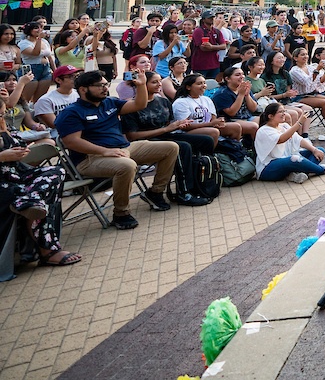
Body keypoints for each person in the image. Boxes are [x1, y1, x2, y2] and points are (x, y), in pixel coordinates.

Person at [56, 69, 179, 230]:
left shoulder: (110, 102)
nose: (105, 88)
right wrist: (104, 151)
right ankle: (121, 213)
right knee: (126, 166)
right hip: (91, 158)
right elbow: (72, 142)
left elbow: (139, 104)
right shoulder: (71, 113)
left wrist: (141, 85)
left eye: (105, 84)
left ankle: (155, 192)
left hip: (124, 148)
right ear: (83, 89)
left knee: (171, 147)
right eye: (99, 85)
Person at [0, 93, 79, 266]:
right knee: (34, 195)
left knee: (56, 172)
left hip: (17, 174)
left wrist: (20, 150)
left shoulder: (3, 125)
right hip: (4, 183)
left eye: (2, 114)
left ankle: (29, 205)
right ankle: (47, 250)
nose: (2, 118)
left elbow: (14, 143)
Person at [122, 72, 214, 206]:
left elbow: (169, 125)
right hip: (146, 141)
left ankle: (202, 181)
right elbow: (132, 136)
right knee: (183, 147)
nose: (159, 84)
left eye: (160, 81)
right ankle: (184, 192)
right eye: (154, 82)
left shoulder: (163, 101)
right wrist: (166, 129)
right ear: (142, 84)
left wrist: (180, 124)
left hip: (166, 134)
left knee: (206, 140)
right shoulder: (131, 106)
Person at [253, 103, 325, 183]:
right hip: (268, 168)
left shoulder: (284, 126)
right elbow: (281, 139)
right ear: (270, 116)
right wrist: (299, 123)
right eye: (280, 112)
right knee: (294, 159)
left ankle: (298, 173)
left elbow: (299, 140)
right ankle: (323, 170)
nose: (284, 114)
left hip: (286, 160)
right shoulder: (263, 130)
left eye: (284, 111)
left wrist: (314, 150)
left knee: (319, 150)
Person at [18, 22, 54, 103]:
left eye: (41, 28)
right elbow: (36, 53)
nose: (39, 30)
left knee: (40, 99)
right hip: (31, 69)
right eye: (36, 28)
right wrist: (39, 39)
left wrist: (55, 70)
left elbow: (50, 57)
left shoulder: (45, 42)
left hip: (45, 69)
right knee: (26, 99)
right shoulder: (23, 43)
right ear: (29, 30)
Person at [190, 11, 226, 80]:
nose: (212, 19)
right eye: (209, 18)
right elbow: (203, 48)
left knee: (214, 85)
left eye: (213, 17)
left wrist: (212, 47)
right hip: (200, 64)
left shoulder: (216, 31)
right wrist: (217, 47)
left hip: (214, 64)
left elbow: (224, 46)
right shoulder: (198, 31)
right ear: (203, 20)